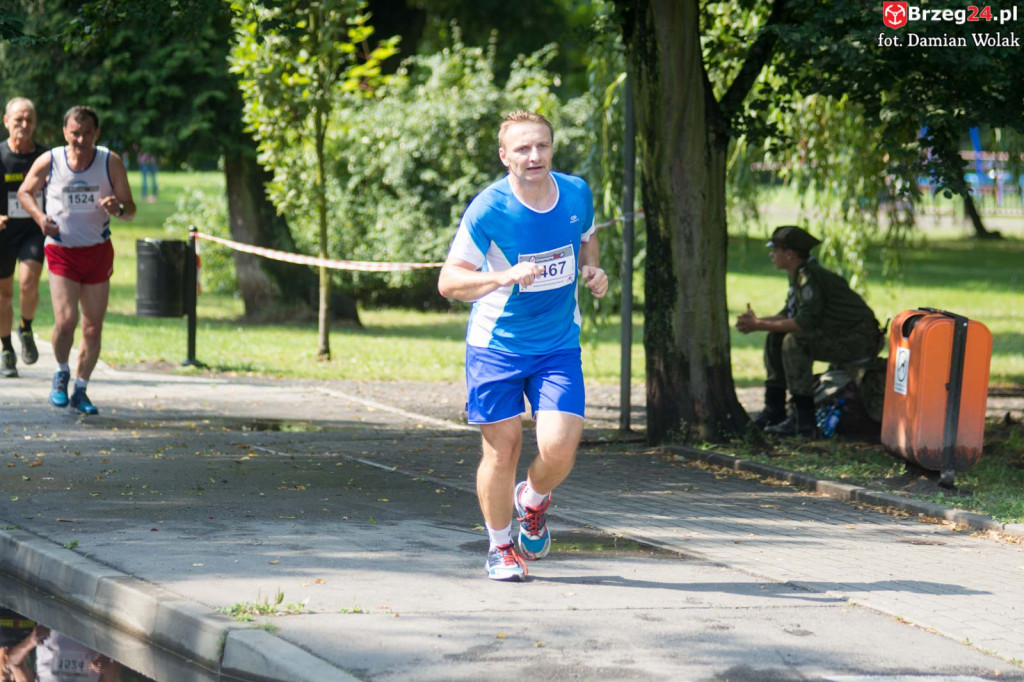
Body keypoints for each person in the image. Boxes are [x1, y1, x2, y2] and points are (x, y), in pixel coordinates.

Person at [437, 110, 608, 582]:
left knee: (560, 448)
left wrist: (594, 270)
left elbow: (586, 237)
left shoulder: (575, 192)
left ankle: (531, 501)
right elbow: (449, 282)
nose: (534, 156)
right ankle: (499, 546)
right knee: (502, 450)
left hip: (558, 344)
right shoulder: (489, 208)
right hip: (497, 347)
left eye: (542, 146)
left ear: (552, 148)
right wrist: (503, 276)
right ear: (504, 156)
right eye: (523, 149)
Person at [18, 105, 136, 415]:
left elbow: (130, 208)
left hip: (97, 252)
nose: (80, 140)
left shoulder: (110, 162)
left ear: (96, 133)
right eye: (74, 133)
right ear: (64, 133)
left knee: (92, 328)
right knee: (66, 321)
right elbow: (25, 192)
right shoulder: (51, 160)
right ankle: (61, 372)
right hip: (62, 251)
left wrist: (118, 208)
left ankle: (81, 389)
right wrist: (40, 218)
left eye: (86, 134)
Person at [735, 225, 882, 436]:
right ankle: (774, 410)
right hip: (842, 335)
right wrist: (755, 322)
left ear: (790, 254)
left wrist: (758, 324)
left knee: (795, 342)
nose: (771, 255)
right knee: (776, 336)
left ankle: (802, 420)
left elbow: (802, 323)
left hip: (858, 340)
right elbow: (788, 315)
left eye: (775, 250)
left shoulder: (809, 276)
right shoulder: (799, 275)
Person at [0, 97, 49, 378]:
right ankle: (6, 349)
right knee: (3, 295)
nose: (24, 124)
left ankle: (26, 328)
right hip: (3, 232)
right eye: (18, 119)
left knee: (29, 284)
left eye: (29, 119)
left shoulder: (45, 157)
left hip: (33, 229)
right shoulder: (0, 155)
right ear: (6, 121)